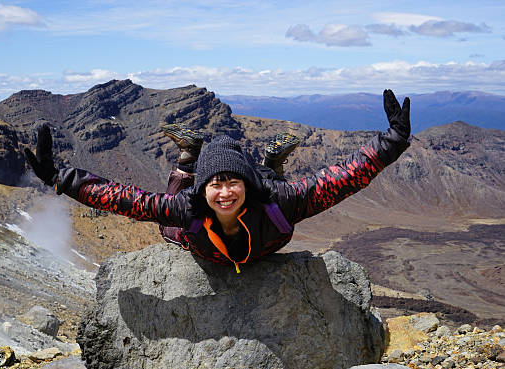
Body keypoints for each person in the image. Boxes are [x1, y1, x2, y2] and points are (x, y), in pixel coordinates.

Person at [25, 89, 411, 273]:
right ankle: (191, 159)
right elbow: (124, 198)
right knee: (166, 226)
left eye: (231, 182)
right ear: (203, 188)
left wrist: (391, 144)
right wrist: (60, 178)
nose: (224, 193)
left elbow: (341, 180)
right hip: (222, 228)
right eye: (215, 184)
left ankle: (261, 166)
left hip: (262, 197)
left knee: (266, 187)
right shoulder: (188, 208)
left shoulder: (281, 201)